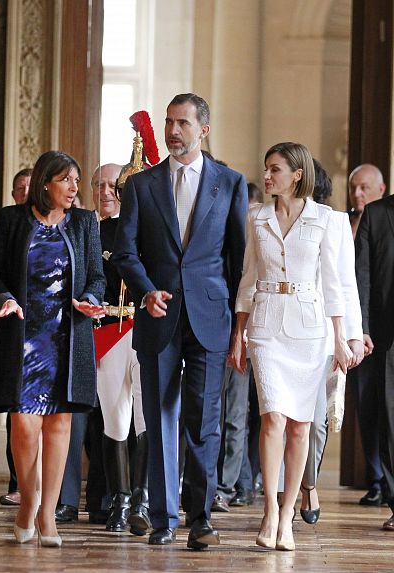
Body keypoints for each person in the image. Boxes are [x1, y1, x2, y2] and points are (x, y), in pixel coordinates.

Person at [111, 93, 248, 550]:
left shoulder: (230, 182)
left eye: (183, 123)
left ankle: (201, 517)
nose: (173, 131)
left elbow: (238, 257)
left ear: (203, 130)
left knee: (204, 423)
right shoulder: (141, 185)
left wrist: (236, 324)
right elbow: (126, 250)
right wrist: (147, 290)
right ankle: (164, 517)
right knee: (159, 419)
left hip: (210, 316)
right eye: (169, 122)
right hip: (157, 314)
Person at [230, 142, 352, 551]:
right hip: (265, 326)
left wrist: (340, 338)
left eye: (275, 169)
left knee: (301, 426)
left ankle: (287, 517)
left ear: (297, 174)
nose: (267, 177)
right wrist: (238, 335)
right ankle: (269, 509)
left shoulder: (326, 220)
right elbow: (247, 278)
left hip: (310, 329)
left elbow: (333, 284)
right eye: (266, 169)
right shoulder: (256, 217)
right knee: (272, 420)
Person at [0, 150, 105, 547]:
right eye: (66, 180)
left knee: (59, 424)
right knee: (24, 423)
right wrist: (4, 297)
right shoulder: (13, 219)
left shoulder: (85, 223)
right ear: (45, 183)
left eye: (76, 180)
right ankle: (27, 504)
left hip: (66, 334)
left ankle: (49, 515)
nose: (74, 188)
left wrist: (89, 296)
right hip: (24, 332)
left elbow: (97, 277)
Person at [276, 159, 364, 524]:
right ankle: (283, 495)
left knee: (313, 420)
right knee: (278, 418)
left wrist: (353, 336)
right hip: (278, 331)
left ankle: (307, 485)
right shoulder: (270, 216)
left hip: (324, 333)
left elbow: (345, 282)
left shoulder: (335, 221)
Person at [91, 162, 147, 533]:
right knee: (114, 420)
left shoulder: (152, 231)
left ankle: (141, 499)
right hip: (109, 328)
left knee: (144, 421)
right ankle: (120, 501)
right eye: (111, 187)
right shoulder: (95, 232)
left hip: (145, 330)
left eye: (121, 188)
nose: (114, 194)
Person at [0, 168, 31, 506]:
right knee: (15, 408)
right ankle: (18, 482)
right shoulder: (9, 220)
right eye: (19, 188)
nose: (25, 192)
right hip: (9, 323)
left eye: (30, 187)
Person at [217, 182, 263, 509]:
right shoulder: (221, 238)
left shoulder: (256, 241)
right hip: (217, 330)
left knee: (237, 415)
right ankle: (221, 483)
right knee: (215, 414)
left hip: (247, 332)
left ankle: (228, 484)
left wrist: (242, 333)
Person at [347, 163, 389, 506]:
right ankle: (381, 482)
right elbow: (359, 278)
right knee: (374, 408)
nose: (357, 194)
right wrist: (359, 328)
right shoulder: (367, 218)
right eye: (353, 188)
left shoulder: (375, 216)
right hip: (374, 332)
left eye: (365, 187)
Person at [355, 172, 394, 530]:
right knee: (390, 419)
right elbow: (362, 276)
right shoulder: (377, 214)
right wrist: (361, 327)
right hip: (387, 334)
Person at [347, 163, 386, 237]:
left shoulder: (389, 221)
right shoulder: (343, 220)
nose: (356, 194)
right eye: (352, 187)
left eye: (363, 187)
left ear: (381, 189)